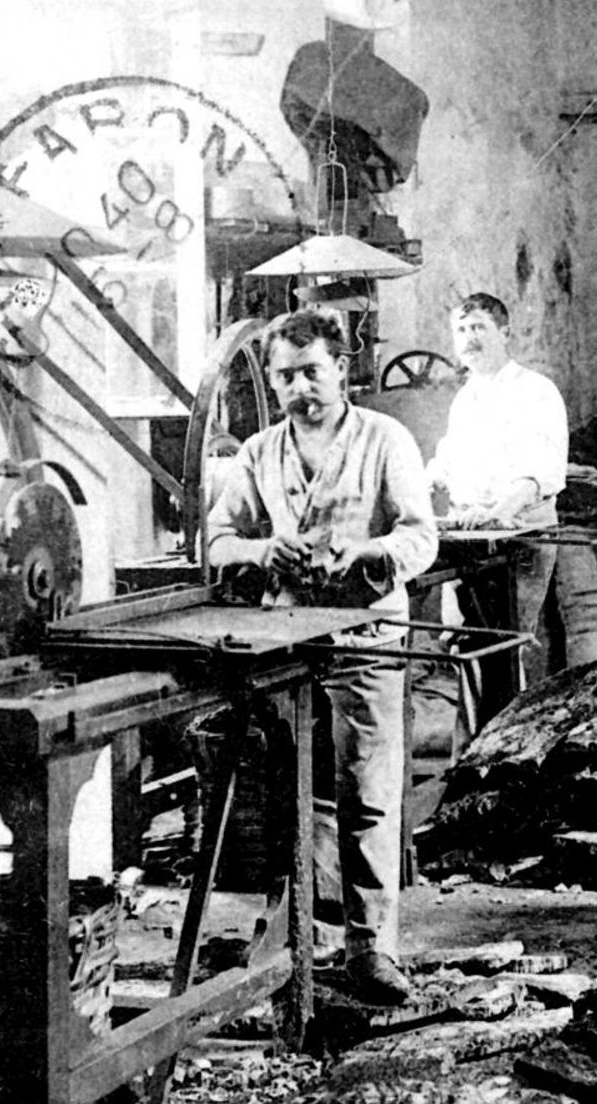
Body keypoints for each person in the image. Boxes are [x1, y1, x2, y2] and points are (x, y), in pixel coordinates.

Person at [206, 308, 439, 1004]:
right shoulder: (259, 453)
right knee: (288, 796)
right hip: (286, 647)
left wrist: (365, 552)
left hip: (366, 641)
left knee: (366, 796)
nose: (300, 388)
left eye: (312, 371)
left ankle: (371, 947)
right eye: (284, 377)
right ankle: (293, 935)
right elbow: (216, 541)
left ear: (343, 368)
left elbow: (421, 536)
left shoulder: (384, 439)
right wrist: (256, 549)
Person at [427, 292, 569, 686]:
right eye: (461, 330)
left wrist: (500, 510)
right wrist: (423, 482)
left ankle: (509, 740)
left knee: (507, 646)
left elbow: (540, 471)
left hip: (521, 530)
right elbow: (448, 461)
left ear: (504, 333)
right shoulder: (465, 398)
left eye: (479, 328)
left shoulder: (535, 391)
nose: (469, 338)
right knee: (463, 645)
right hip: (471, 532)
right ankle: (473, 744)